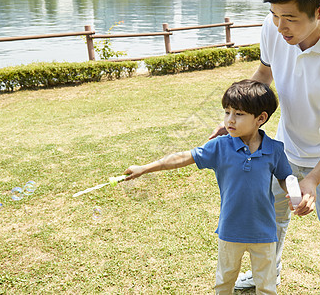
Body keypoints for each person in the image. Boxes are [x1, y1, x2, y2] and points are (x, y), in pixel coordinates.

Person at [212, 0, 320, 294]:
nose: (280, 26)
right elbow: (263, 75)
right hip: (281, 150)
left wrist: (313, 178)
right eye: (274, 15)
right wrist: (237, 117)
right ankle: (267, 276)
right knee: (269, 221)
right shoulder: (273, 29)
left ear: (319, 12)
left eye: (290, 18)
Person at [124, 80, 292, 294]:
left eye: (238, 114)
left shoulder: (275, 149)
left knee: (267, 286)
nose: (229, 120)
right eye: (227, 112)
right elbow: (184, 157)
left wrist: (292, 192)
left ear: (261, 118)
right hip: (230, 229)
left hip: (264, 231)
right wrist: (145, 168)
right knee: (224, 283)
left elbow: (285, 177)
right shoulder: (220, 146)